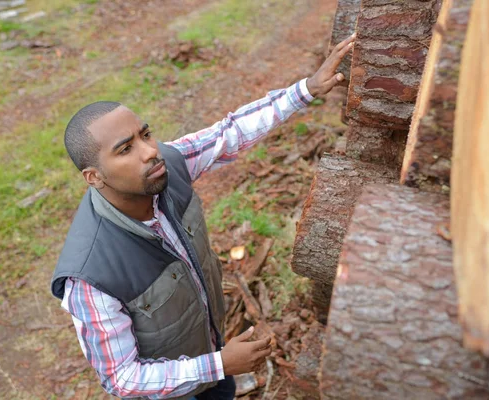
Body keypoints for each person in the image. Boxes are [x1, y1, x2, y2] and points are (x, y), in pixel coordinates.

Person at [50, 33, 356, 399]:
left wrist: (306, 89)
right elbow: (121, 379)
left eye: (145, 134)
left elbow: (230, 133)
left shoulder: (167, 166)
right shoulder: (90, 276)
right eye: (126, 149)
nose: (149, 152)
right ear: (94, 176)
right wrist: (220, 364)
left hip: (212, 347)